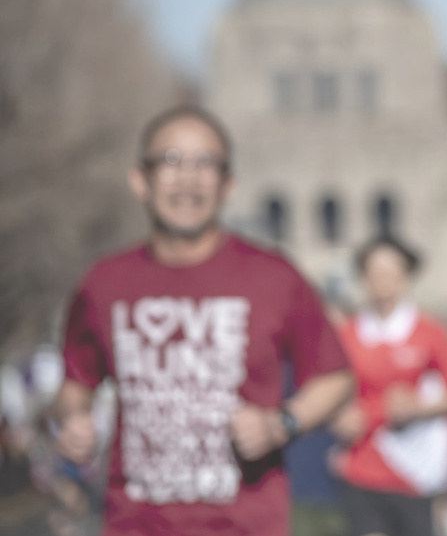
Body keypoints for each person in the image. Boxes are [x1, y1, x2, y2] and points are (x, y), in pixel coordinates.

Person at [53, 105, 354, 536]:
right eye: (171, 161)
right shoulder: (103, 282)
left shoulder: (274, 276)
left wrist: (280, 424)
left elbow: (335, 377)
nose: (188, 178)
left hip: (245, 524)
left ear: (228, 184)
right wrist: (74, 423)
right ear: (140, 179)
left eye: (205, 163)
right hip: (135, 523)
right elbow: (76, 383)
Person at [331, 236, 447, 536]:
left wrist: (420, 408)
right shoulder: (347, 334)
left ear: (405, 277)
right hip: (363, 466)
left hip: (416, 470)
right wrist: (338, 418)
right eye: (374, 273)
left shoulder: (430, 332)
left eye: (390, 273)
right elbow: (329, 391)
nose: (382, 281)